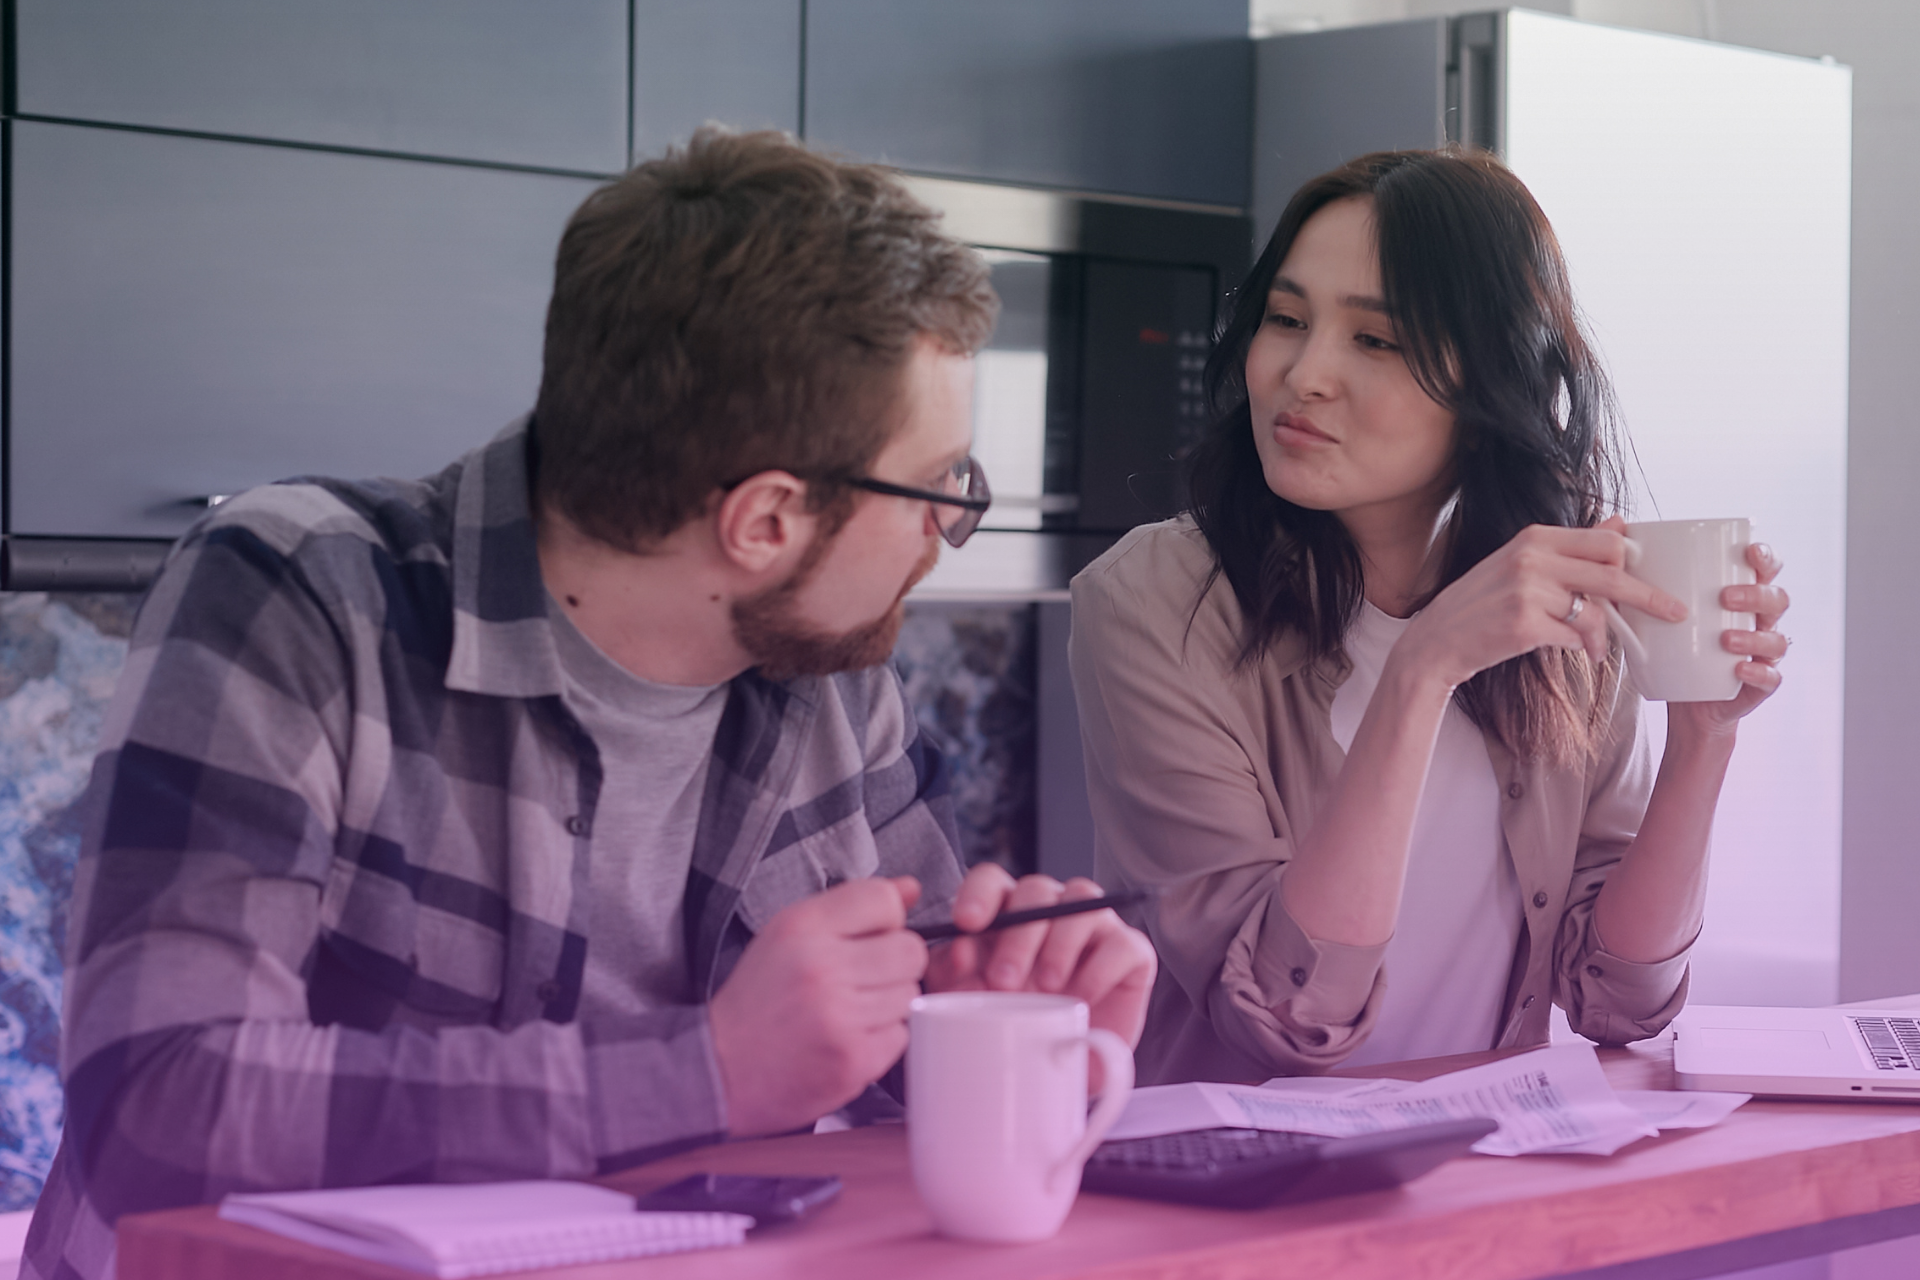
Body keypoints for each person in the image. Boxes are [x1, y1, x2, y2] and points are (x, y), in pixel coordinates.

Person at [25, 128, 1156, 1278]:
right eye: (935, 485)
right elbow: (158, 1104)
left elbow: (880, 1064)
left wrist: (1009, 1028)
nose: (944, 528)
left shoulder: (830, 671)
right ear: (764, 520)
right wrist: (705, 1068)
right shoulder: (304, 590)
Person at [1068, 149, 1788, 1087]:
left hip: (1487, 1183)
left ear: (1492, 393)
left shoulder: (1562, 608)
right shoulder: (1151, 603)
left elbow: (1619, 1001)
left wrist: (1701, 743)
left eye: (1377, 341)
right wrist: (1422, 668)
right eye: (1286, 319)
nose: (1305, 373)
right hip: (1252, 1201)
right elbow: (1284, 1016)